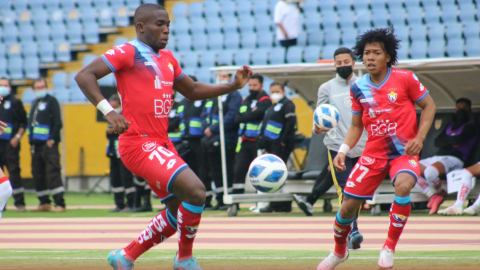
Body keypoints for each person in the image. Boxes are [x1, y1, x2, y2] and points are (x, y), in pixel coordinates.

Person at [74, 4, 252, 270]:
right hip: (138, 143)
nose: (166, 29)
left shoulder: (167, 58)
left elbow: (191, 90)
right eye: (159, 24)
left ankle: (125, 256)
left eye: (168, 24)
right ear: (141, 27)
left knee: (178, 209)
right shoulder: (128, 51)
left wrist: (232, 86)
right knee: (197, 191)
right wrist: (109, 112)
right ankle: (184, 259)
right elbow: (84, 75)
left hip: (160, 143)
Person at [317, 27, 436, 270]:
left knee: (403, 184)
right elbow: (355, 126)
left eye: (376, 53)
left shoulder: (405, 79)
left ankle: (389, 247)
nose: (370, 57)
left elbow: (429, 106)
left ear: (388, 56)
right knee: (347, 207)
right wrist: (342, 150)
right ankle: (339, 252)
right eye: (367, 53)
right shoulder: (358, 88)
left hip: (404, 152)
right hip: (372, 154)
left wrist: (420, 138)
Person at [293, 47, 368, 250]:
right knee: (346, 191)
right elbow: (319, 119)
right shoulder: (326, 88)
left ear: (353, 63)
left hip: (362, 147)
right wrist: (318, 127)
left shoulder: (364, 84)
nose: (342, 66)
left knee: (358, 191)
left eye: (346, 62)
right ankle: (353, 232)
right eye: (338, 63)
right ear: (334, 64)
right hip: (336, 147)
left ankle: (343, 231)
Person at [414, 98, 478, 214]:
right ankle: (433, 195)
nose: (460, 110)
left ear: (469, 110)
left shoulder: (471, 126)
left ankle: (439, 192)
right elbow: (437, 141)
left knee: (430, 172)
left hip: (455, 158)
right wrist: (452, 142)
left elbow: (459, 139)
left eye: (463, 108)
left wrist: (447, 141)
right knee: (410, 169)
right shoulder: (450, 125)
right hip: (438, 157)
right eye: (458, 108)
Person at [201, 70, 242, 210]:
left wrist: (213, 129)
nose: (222, 79)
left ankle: (228, 198)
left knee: (227, 169)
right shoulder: (213, 95)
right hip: (210, 140)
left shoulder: (234, 95)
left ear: (230, 78)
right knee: (215, 171)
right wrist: (207, 128)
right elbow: (204, 114)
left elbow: (231, 117)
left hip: (227, 139)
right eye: (220, 76)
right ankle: (219, 199)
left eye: (224, 76)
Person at [256, 82, 297, 213]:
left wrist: (284, 141)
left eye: (277, 91)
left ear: (283, 92)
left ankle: (281, 204)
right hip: (273, 145)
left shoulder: (288, 104)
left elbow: (291, 123)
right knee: (274, 174)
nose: (275, 94)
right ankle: (276, 203)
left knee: (277, 174)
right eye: (272, 91)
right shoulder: (274, 106)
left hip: (282, 145)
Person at [28, 78, 66, 212]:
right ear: (33, 90)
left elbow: (57, 122)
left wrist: (52, 139)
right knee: (37, 173)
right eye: (38, 87)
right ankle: (44, 202)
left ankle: (59, 203)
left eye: (42, 87)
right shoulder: (35, 103)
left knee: (52, 172)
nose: (40, 89)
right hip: (36, 145)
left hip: (48, 144)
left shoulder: (51, 101)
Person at [233, 74, 272, 197]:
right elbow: (237, 117)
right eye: (250, 85)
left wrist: (246, 116)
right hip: (245, 141)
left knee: (260, 172)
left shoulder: (265, 100)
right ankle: (237, 199)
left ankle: (260, 200)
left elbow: (255, 115)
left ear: (261, 86)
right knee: (238, 170)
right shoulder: (247, 100)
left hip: (258, 142)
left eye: (255, 85)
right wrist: (249, 115)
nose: (252, 88)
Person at [0, 78, 27, 212]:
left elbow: (24, 123)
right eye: (1, 85)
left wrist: (17, 137)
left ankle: (19, 202)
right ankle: (2, 205)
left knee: (14, 172)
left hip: (11, 144)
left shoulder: (15, 102)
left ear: (10, 87)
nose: (3, 88)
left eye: (5, 85)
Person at [106, 94, 135, 212]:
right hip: (113, 152)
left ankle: (131, 203)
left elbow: (125, 129)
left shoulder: (125, 114)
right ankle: (119, 204)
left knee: (126, 178)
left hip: (124, 151)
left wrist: (115, 129)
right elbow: (108, 132)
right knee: (115, 178)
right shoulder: (110, 117)